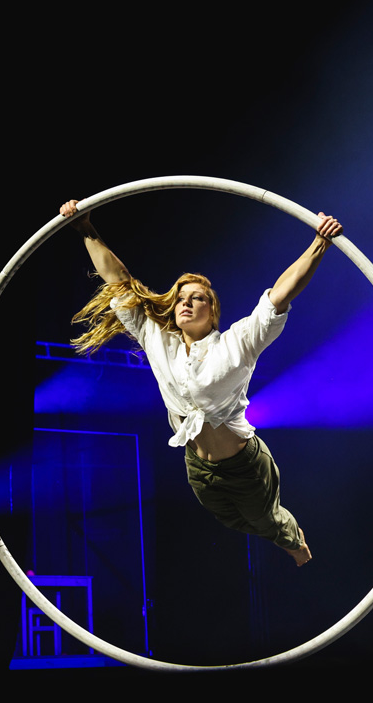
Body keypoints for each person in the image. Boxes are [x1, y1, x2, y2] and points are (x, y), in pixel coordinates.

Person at [59, 198, 343, 566]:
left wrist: (320, 242)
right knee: (229, 520)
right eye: (181, 298)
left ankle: (293, 541)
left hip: (245, 466)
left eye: (197, 298)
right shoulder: (156, 338)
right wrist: (85, 229)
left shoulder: (238, 342)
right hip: (198, 467)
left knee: (266, 522)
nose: (186, 303)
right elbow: (119, 282)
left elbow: (280, 294)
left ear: (213, 311)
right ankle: (277, 530)